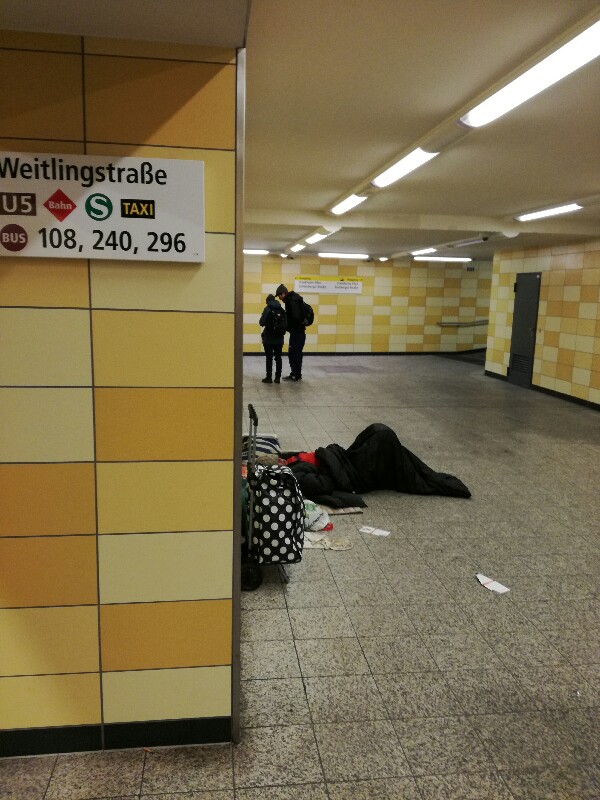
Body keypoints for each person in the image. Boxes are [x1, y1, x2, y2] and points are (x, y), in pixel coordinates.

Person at [275, 284, 305, 381]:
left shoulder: (291, 301)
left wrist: (288, 325)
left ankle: (295, 375)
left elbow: (295, 317)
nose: (279, 298)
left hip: (297, 332)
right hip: (298, 332)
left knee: (294, 353)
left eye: (279, 295)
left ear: (283, 293)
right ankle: (296, 374)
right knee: (296, 353)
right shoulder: (293, 299)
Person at [259, 294, 285, 383]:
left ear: (267, 301)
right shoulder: (281, 309)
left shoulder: (267, 309)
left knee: (269, 358)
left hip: (268, 339)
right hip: (279, 339)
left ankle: (269, 377)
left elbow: (261, 322)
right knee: (278, 358)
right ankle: (277, 378)